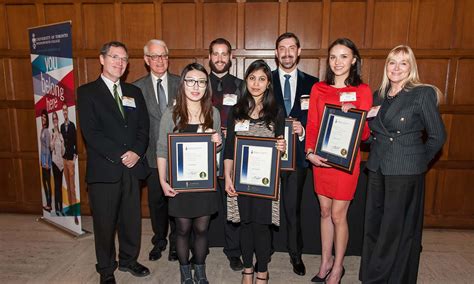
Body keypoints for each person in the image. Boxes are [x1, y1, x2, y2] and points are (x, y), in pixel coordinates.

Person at [359, 45, 446, 284]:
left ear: (411, 67)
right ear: (386, 66)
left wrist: (417, 161)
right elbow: (369, 136)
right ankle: (372, 274)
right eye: (392, 62)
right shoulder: (379, 95)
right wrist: (355, 119)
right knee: (374, 224)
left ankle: (388, 278)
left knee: (394, 229)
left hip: (405, 171)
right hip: (377, 167)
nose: (396, 68)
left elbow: (438, 136)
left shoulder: (422, 93)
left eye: (403, 63)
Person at [77, 41, 150, 284]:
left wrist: (137, 153)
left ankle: (129, 260)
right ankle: (106, 270)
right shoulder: (87, 92)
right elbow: (92, 133)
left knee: (131, 220)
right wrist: (122, 154)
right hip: (105, 170)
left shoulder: (134, 92)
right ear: (102, 59)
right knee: (105, 224)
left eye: (124, 59)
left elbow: (143, 128)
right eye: (114, 57)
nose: (119, 63)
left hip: (132, 168)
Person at [305, 38, 372, 284]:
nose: (338, 62)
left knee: (337, 215)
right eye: (333, 56)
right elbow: (312, 123)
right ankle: (325, 261)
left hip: (345, 164)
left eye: (344, 56)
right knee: (324, 211)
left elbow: (365, 135)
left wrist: (354, 112)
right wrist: (309, 152)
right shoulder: (319, 89)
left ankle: (338, 266)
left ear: (354, 60)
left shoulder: (362, 91)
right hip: (321, 161)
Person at [157, 63, 222, 284]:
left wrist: (219, 141)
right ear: (182, 83)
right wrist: (162, 180)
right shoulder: (171, 113)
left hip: (204, 182)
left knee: (202, 228)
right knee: (183, 229)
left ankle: (200, 271)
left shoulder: (212, 112)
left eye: (202, 82)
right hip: (180, 184)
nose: (196, 86)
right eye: (191, 81)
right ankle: (185, 272)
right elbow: (162, 149)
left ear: (207, 86)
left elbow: (217, 147)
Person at [224, 60, 286, 284]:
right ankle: (247, 270)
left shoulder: (276, 112)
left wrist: (283, 147)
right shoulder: (237, 111)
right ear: (246, 81)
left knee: (261, 227)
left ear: (268, 83)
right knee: (245, 225)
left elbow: (282, 149)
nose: (256, 83)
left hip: (265, 182)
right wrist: (228, 178)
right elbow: (230, 147)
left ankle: (262, 271)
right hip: (240, 181)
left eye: (261, 78)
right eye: (252, 78)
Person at [272, 32, 319, 276]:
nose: (287, 52)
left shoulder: (313, 84)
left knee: (293, 208)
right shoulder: (264, 80)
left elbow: (318, 121)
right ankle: (264, 250)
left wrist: (303, 131)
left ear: (299, 51)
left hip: (298, 157)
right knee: (264, 207)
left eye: (292, 48)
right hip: (268, 156)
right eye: (282, 48)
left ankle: (295, 254)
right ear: (276, 52)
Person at [133, 39, 179, 262]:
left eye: (163, 55)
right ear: (146, 60)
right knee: (157, 203)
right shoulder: (136, 88)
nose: (160, 60)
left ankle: (175, 244)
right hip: (151, 156)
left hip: (179, 157)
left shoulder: (182, 83)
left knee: (176, 202)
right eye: (155, 56)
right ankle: (160, 240)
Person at [208, 37, 244, 271]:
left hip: (232, 150)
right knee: (203, 202)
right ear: (209, 57)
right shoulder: (199, 83)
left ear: (231, 57)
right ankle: (200, 247)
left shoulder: (241, 85)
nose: (220, 58)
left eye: (224, 54)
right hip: (205, 150)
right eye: (216, 54)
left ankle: (233, 251)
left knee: (232, 200)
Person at [60, 103, 78, 224]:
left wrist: (75, 155)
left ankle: (76, 214)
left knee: (72, 187)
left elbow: (76, 140)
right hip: (64, 158)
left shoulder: (72, 126)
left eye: (66, 110)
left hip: (71, 159)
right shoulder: (61, 126)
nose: (65, 112)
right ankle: (70, 210)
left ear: (68, 112)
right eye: (63, 111)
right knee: (67, 185)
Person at [51, 111, 65, 216]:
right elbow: (51, 148)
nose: (55, 120)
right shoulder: (51, 132)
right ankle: (57, 209)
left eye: (56, 118)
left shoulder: (60, 133)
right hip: (55, 162)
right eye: (53, 119)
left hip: (61, 163)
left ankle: (61, 207)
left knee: (60, 186)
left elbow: (63, 151)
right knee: (57, 185)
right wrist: (54, 139)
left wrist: (63, 143)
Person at [40, 109, 52, 212]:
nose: (43, 118)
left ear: (47, 119)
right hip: (42, 160)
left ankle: (49, 204)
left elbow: (48, 147)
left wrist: (47, 162)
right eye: (42, 117)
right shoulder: (42, 130)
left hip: (46, 161)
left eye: (44, 117)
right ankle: (47, 203)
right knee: (44, 182)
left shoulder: (47, 131)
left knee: (48, 182)